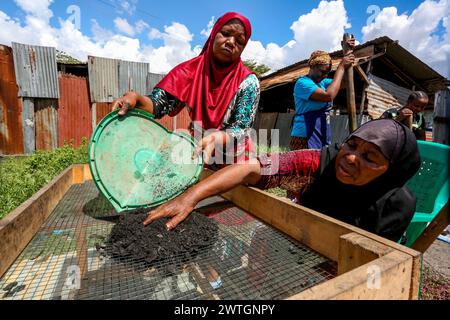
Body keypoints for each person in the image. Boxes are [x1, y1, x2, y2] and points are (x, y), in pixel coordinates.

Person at [144, 119, 420, 242]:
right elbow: (251, 167)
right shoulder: (320, 161)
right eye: (351, 146)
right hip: (297, 239)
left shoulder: (396, 204)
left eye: (370, 157)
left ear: (390, 171)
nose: (350, 158)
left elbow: (372, 262)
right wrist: (189, 198)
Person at [112, 12, 260, 164]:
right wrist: (137, 99)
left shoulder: (248, 82)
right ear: (214, 33)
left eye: (239, 41)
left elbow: (241, 128)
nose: (230, 42)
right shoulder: (189, 72)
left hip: (234, 159)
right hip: (199, 150)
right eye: (226, 33)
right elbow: (159, 104)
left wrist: (217, 137)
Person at [290, 46, 355, 151]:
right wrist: (341, 67)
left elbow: (346, 82)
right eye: (322, 71)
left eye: (327, 73)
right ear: (312, 66)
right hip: (304, 135)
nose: (325, 76)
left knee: (320, 165)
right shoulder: (303, 83)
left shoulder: (323, 83)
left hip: (321, 132)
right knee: (305, 166)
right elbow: (328, 96)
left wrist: (348, 52)